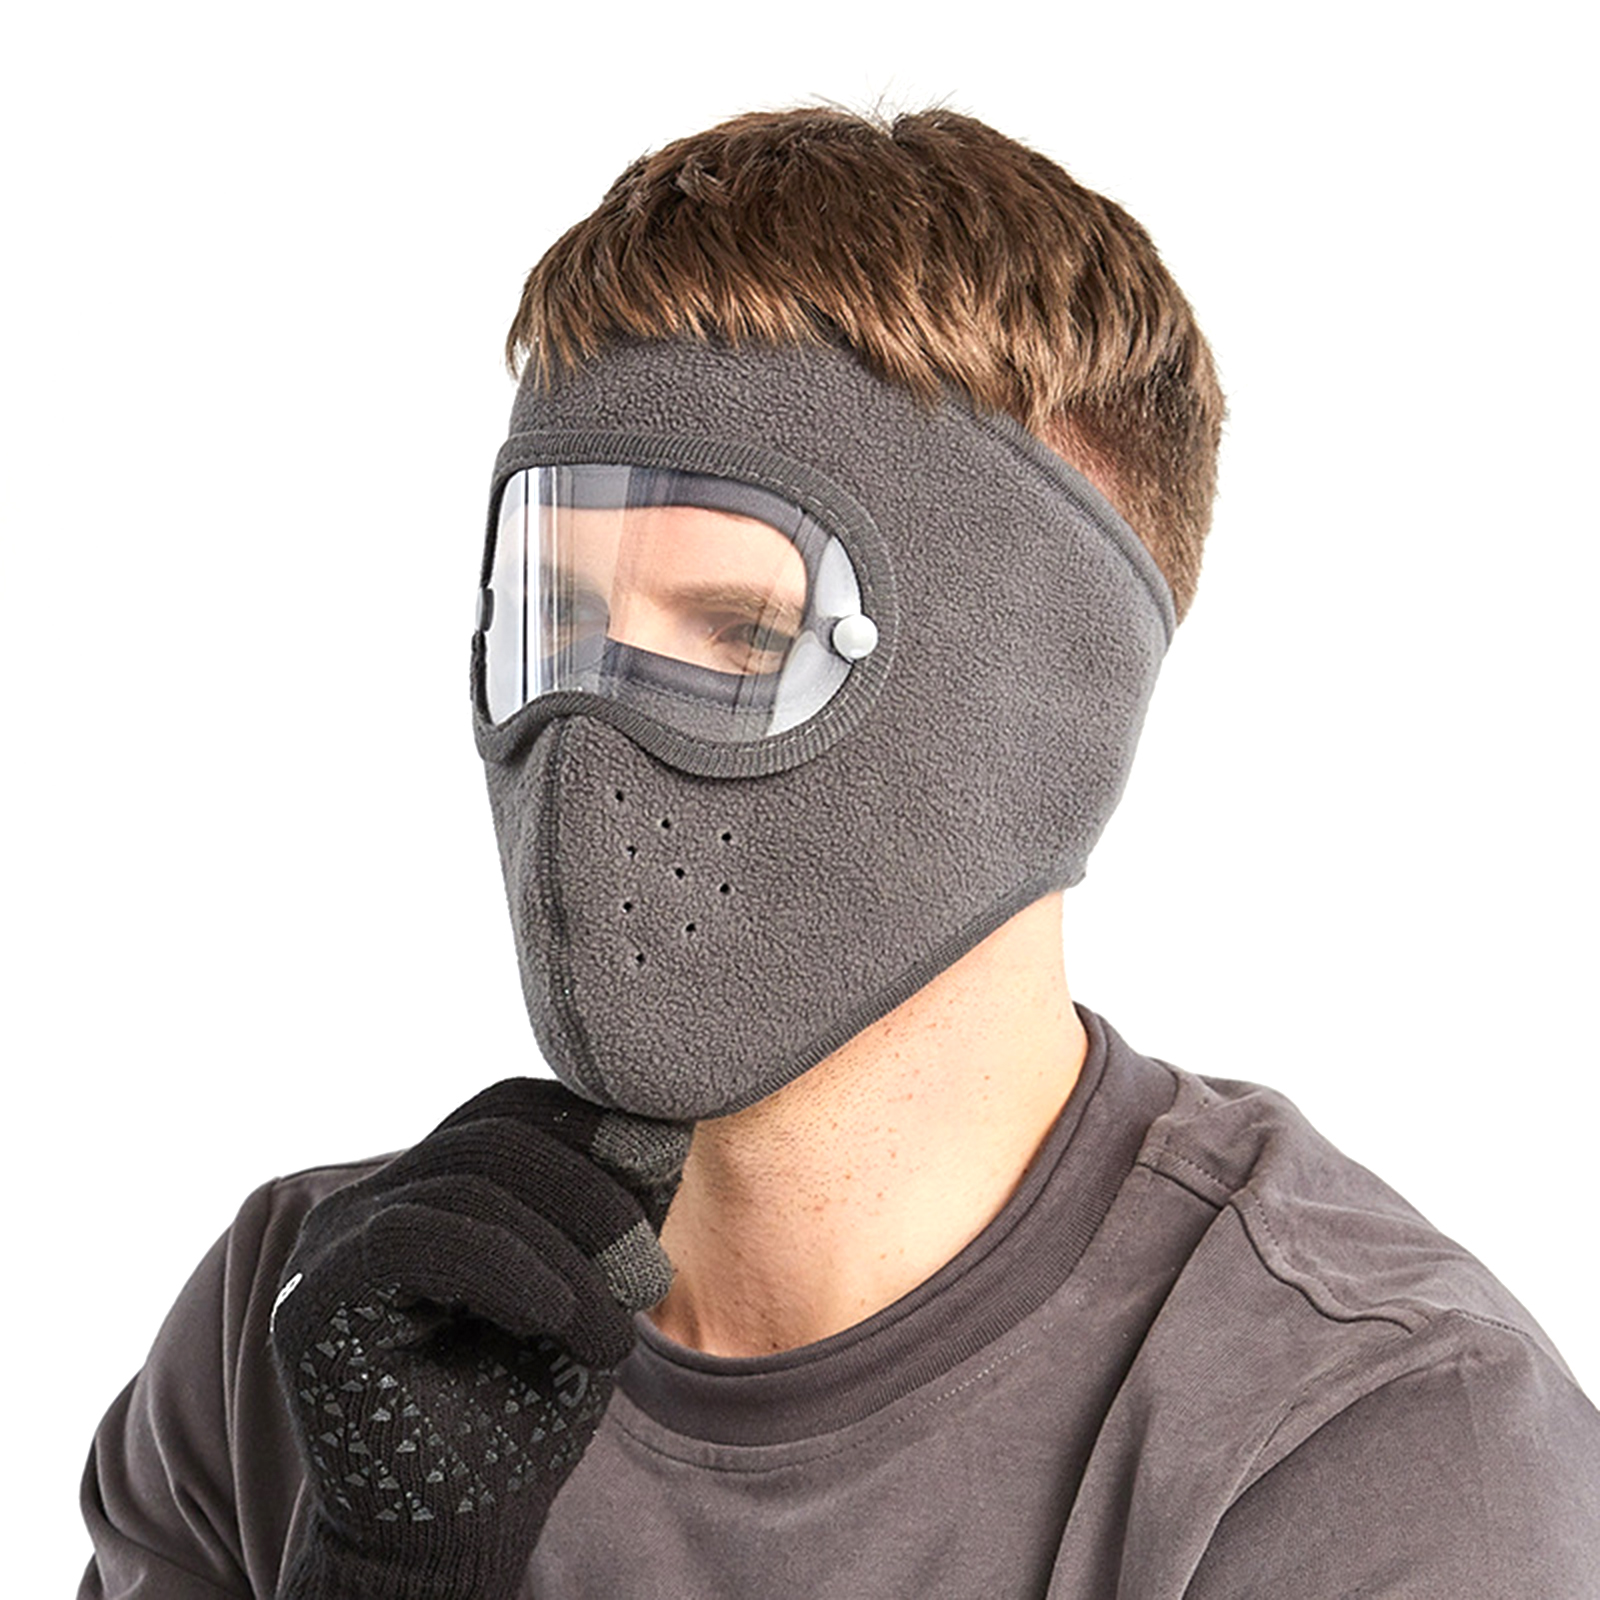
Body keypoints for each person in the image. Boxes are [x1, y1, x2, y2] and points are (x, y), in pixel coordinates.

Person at [79, 106, 1600, 1600]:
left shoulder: (1367, 1445)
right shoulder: (319, 1329)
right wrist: (383, 1573)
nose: (591, 736)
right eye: (561, 621)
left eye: (741, 635)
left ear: (1044, 711)